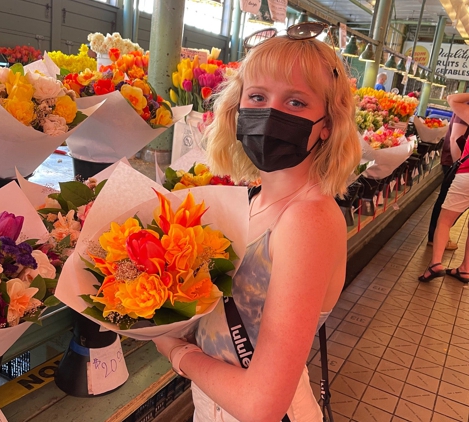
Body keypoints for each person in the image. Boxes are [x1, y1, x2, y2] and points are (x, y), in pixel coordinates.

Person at [152, 22, 362, 422]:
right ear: (237, 107)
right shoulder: (254, 198)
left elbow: (260, 406)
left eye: (296, 103)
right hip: (213, 403)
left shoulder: (307, 219)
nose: (270, 113)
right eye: (258, 96)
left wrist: (177, 352)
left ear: (328, 125)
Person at [419, 92, 469, 283]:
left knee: (445, 221)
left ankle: (435, 265)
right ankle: (465, 269)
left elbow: (452, 99)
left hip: (466, 174)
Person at [426, 112, 469, 250]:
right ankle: (436, 237)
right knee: (447, 202)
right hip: (457, 164)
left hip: (459, 165)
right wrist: (459, 166)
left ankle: (439, 236)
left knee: (448, 202)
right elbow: (455, 138)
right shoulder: (465, 108)